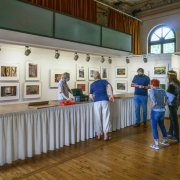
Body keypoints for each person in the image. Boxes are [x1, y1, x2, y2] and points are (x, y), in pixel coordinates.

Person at [149, 79, 175, 150]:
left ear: (152, 84)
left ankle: (156, 145)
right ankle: (165, 141)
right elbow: (172, 96)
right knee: (162, 125)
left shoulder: (152, 90)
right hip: (162, 110)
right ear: (158, 84)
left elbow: (152, 96)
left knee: (154, 127)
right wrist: (167, 102)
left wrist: (154, 103)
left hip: (155, 110)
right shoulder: (162, 90)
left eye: (151, 84)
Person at [90, 71, 114, 141]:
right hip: (105, 100)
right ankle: (105, 136)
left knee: (97, 117)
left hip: (96, 102)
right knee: (106, 117)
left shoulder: (92, 84)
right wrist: (112, 95)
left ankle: (98, 135)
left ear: (94, 77)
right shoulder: (104, 81)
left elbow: (91, 96)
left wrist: (94, 98)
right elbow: (110, 86)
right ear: (99, 76)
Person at [167, 70, 180, 141]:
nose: (167, 76)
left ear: (169, 76)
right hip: (177, 103)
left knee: (174, 120)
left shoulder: (171, 84)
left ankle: (176, 136)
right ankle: (170, 132)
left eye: (167, 75)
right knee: (172, 118)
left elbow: (169, 95)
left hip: (172, 104)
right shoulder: (178, 82)